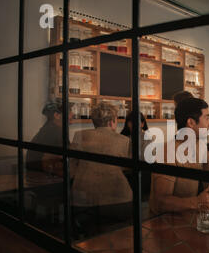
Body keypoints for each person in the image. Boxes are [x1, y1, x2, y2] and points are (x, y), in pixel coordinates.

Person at [70, 102, 133, 237]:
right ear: (112, 122)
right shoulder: (123, 140)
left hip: (83, 198)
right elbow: (127, 165)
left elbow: (71, 167)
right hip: (116, 199)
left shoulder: (78, 136)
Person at [149, 98, 209, 215]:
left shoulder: (200, 146)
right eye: (206, 118)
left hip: (188, 219)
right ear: (191, 123)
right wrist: (197, 201)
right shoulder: (168, 152)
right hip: (164, 224)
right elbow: (160, 202)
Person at [26, 100, 73, 176]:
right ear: (57, 115)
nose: (72, 114)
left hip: (37, 173)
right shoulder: (56, 131)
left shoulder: (49, 128)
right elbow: (67, 157)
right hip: (41, 177)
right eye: (69, 112)